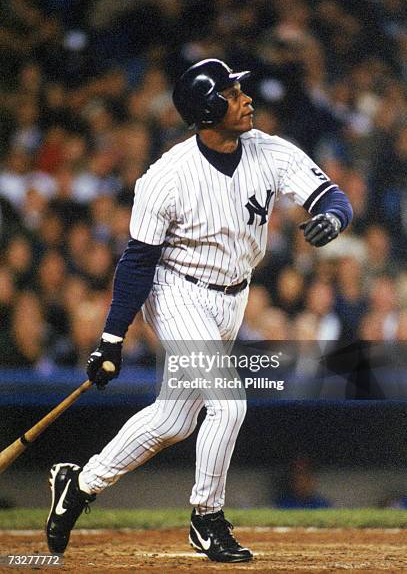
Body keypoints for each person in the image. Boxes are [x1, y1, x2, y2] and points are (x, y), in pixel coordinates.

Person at [45, 59, 352, 563]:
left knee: (173, 420)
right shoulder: (166, 176)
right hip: (177, 290)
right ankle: (206, 518)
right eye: (233, 94)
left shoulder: (266, 150)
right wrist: (112, 338)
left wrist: (333, 217)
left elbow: (330, 195)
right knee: (229, 403)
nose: (246, 98)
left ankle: (79, 484)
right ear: (209, 110)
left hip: (233, 295)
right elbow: (138, 263)